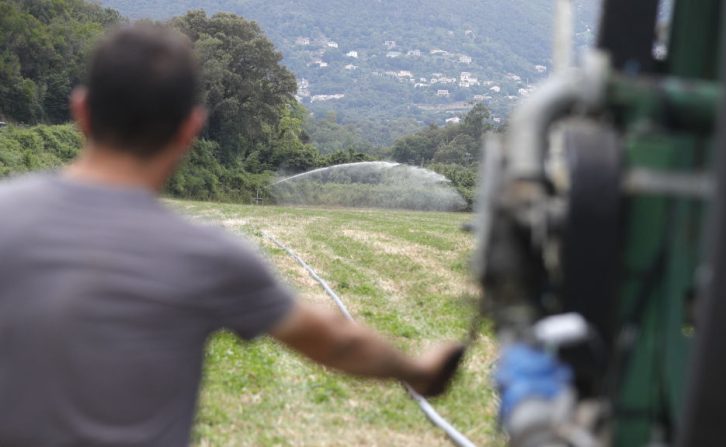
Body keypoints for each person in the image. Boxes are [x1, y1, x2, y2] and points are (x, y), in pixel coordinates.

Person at [0, 24, 463, 446]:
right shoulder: (206, 256)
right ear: (191, 129)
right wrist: (417, 369)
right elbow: (336, 341)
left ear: (81, 110)